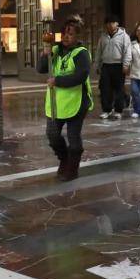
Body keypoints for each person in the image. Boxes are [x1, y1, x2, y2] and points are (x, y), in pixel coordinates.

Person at [38, 17, 93, 181]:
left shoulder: (81, 53)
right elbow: (41, 69)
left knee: (74, 139)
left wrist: (58, 81)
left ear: (77, 36)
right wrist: (45, 53)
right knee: (52, 135)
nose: (65, 36)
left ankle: (72, 169)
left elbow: (81, 76)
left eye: (70, 34)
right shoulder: (55, 50)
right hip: (55, 102)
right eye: (63, 33)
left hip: (77, 101)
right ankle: (64, 159)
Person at [95, 15, 131, 120]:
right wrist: (97, 65)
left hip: (118, 65)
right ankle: (107, 109)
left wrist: (126, 65)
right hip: (106, 65)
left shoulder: (124, 36)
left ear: (117, 24)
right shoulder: (103, 37)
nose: (110, 25)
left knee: (119, 89)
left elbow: (127, 52)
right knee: (105, 88)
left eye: (113, 22)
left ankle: (118, 110)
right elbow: (99, 51)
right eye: (108, 23)